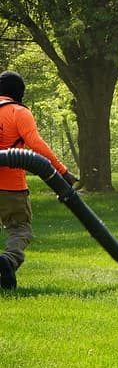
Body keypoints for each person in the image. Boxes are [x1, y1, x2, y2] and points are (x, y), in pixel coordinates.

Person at [0, 71, 78, 290]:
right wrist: (62, 172)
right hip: (11, 188)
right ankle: (9, 259)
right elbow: (36, 144)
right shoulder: (18, 112)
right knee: (20, 229)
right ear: (20, 93)